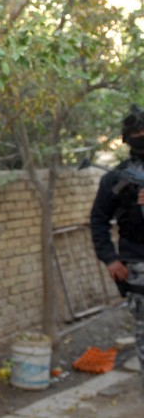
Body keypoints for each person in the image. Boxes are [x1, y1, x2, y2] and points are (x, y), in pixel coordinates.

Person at [90, 104, 144, 382]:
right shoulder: (116, 179)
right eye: (137, 132)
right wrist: (110, 258)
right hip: (137, 265)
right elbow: (98, 221)